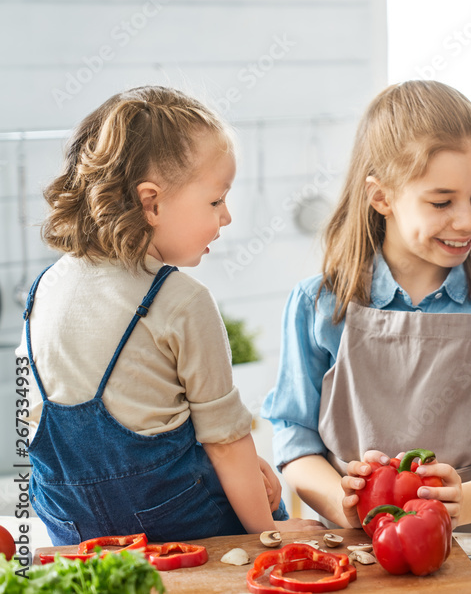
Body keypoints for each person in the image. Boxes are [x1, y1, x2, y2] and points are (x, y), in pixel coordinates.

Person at [20, 86, 320, 545]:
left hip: (71, 527)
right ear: (151, 203)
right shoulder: (181, 300)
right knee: (260, 494)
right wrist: (269, 527)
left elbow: (37, 421)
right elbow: (226, 441)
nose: (227, 218)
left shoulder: (44, 290)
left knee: (245, 475)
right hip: (176, 524)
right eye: (216, 201)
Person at [262, 80, 471, 533]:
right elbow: (295, 440)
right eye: (442, 201)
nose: (468, 220)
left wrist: (459, 504)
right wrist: (343, 503)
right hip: (354, 551)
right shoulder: (317, 306)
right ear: (382, 198)